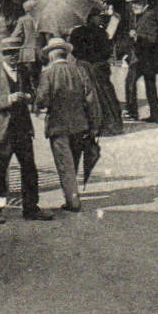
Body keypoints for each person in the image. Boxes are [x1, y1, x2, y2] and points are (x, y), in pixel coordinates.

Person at [0, 37, 55, 223]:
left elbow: (33, 92)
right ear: (2, 55)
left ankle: (30, 208)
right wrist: (9, 99)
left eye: (15, 52)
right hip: (3, 131)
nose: (13, 57)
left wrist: (29, 97)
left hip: (22, 129)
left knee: (29, 169)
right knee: (0, 170)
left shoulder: (23, 72)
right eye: (8, 53)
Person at [33, 36, 99, 213]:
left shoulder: (48, 74)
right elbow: (91, 99)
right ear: (65, 54)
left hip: (58, 125)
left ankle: (73, 201)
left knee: (64, 164)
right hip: (79, 124)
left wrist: (38, 105)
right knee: (74, 161)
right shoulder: (79, 71)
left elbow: (42, 99)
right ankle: (72, 195)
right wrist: (93, 124)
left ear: (51, 55)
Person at [68, 3, 124, 142]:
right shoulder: (100, 32)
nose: (100, 19)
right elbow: (107, 51)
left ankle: (92, 125)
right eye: (98, 16)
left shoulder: (76, 32)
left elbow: (74, 51)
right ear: (90, 17)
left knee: (89, 97)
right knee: (105, 96)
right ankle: (110, 124)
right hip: (98, 68)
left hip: (84, 68)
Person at [124, 0, 158, 123]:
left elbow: (152, 38)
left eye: (135, 3)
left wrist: (136, 36)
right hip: (146, 58)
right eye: (132, 3)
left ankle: (133, 112)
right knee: (149, 86)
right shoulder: (146, 15)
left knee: (130, 82)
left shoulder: (149, 16)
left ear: (143, 2)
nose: (133, 6)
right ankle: (155, 115)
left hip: (144, 58)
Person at [5, 0, 41, 94]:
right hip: (38, 51)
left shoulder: (23, 20)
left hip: (27, 52)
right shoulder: (40, 19)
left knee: (25, 78)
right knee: (37, 78)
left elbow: (15, 34)